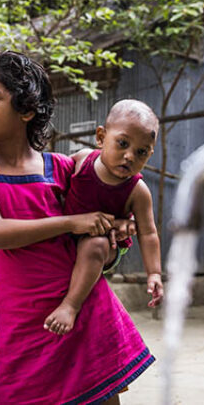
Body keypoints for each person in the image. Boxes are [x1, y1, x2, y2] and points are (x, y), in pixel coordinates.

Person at [0, 51, 154, 404]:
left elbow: (96, 248)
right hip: (26, 323)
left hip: (83, 312)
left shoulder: (63, 168)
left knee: (101, 398)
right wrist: (74, 221)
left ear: (27, 110)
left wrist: (115, 236)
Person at [45, 99, 164, 335]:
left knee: (95, 244)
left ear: (150, 154)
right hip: (68, 233)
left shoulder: (137, 191)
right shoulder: (81, 162)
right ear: (101, 137)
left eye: (141, 152)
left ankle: (70, 305)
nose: (129, 156)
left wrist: (154, 273)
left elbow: (148, 233)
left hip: (106, 246)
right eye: (122, 144)